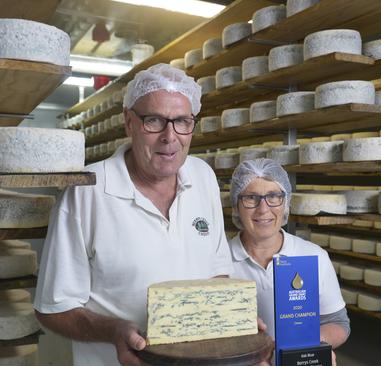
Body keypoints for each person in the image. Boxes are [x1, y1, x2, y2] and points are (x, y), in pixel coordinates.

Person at [34, 64, 235, 366]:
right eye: (154, 121)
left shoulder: (203, 177)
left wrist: (235, 320)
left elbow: (217, 273)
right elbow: (53, 308)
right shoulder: (86, 191)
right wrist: (113, 330)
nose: (170, 136)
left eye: (182, 121)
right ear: (128, 122)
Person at [228, 158, 350, 364]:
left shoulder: (313, 256)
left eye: (274, 196)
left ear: (286, 203)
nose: (263, 209)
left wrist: (308, 346)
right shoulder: (218, 260)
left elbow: (338, 323)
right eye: (251, 198)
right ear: (236, 205)